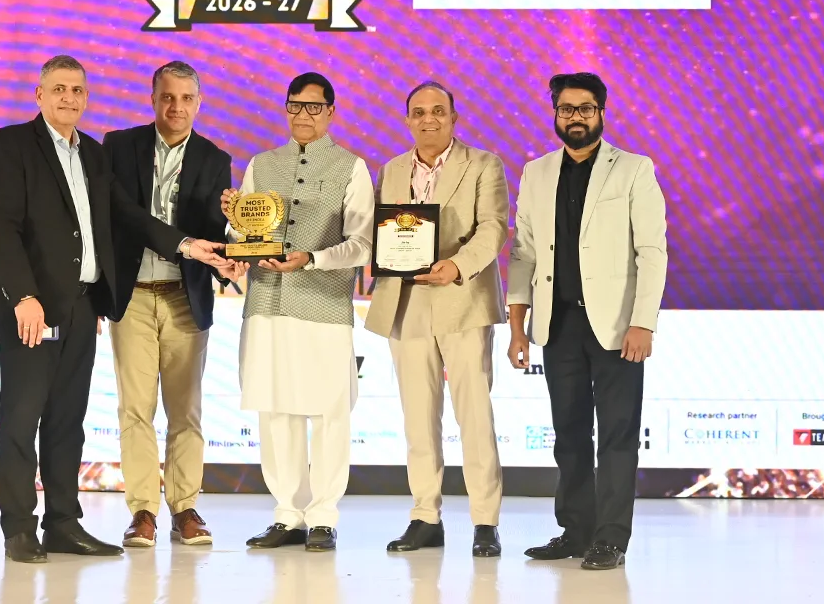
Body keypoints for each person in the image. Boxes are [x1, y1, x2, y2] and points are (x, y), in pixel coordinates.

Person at [0, 54, 231, 564]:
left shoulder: (93, 153)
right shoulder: (11, 143)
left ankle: (63, 524)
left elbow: (129, 215)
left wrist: (187, 246)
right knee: (22, 419)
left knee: (68, 421)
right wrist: (23, 296)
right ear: (40, 95)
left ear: (87, 98)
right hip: (31, 308)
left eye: (78, 90)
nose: (69, 98)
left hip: (81, 305)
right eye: (59, 89)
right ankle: (18, 529)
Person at [506, 72, 667, 570]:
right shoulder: (536, 172)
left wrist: (643, 323)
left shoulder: (634, 169)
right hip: (557, 325)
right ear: (555, 114)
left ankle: (611, 538)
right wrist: (517, 327)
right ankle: (575, 531)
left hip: (617, 326)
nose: (575, 117)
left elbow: (652, 251)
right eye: (566, 109)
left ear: (601, 112)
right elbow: (523, 253)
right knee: (569, 433)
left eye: (585, 108)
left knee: (618, 434)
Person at [221, 72, 374, 553]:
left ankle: (323, 516)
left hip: (324, 304)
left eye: (314, 107)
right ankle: (288, 514)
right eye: (295, 105)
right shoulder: (261, 165)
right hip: (267, 302)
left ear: (331, 112)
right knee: (275, 409)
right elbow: (246, 238)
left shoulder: (351, 168)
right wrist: (233, 226)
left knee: (330, 411)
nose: (303, 115)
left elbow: (363, 244)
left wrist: (312, 258)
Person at [363, 81, 508, 557]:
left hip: (462, 299)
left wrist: (458, 266)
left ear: (453, 118)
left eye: (438, 111)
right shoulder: (392, 169)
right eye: (419, 112)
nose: (429, 119)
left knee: (474, 415)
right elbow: (381, 229)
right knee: (418, 417)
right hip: (405, 303)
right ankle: (425, 516)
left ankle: (485, 521)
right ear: (408, 119)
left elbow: (493, 227)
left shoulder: (484, 164)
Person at [103, 60, 236, 548]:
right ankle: (143, 510)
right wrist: (185, 244)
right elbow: (122, 213)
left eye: (186, 98)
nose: (176, 106)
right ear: (153, 99)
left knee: (186, 412)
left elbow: (215, 231)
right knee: (135, 410)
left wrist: (233, 253)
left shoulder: (215, 158)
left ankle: (185, 509)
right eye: (167, 97)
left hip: (186, 296)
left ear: (199, 103)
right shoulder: (119, 147)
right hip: (133, 295)